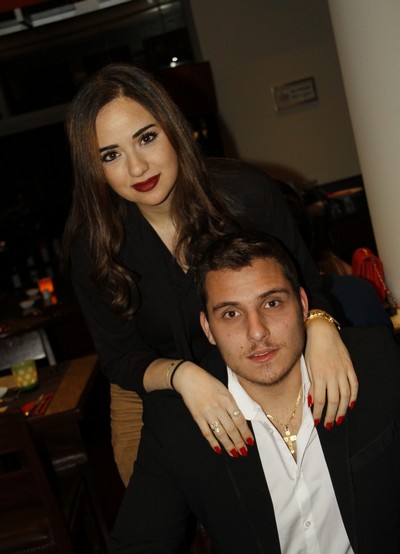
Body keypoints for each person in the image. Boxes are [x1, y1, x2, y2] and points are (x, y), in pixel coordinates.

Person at [63, 62, 357, 485]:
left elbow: (306, 284)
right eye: (111, 155)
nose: (137, 167)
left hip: (258, 362)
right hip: (151, 384)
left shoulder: (247, 195)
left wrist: (322, 328)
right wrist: (183, 376)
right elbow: (119, 357)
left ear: (173, 127)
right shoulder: (92, 244)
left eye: (146, 138)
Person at [102, 231, 400, 554]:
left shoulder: (376, 362)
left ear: (303, 305)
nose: (256, 331)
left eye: (272, 303)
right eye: (231, 314)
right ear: (208, 329)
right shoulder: (177, 420)